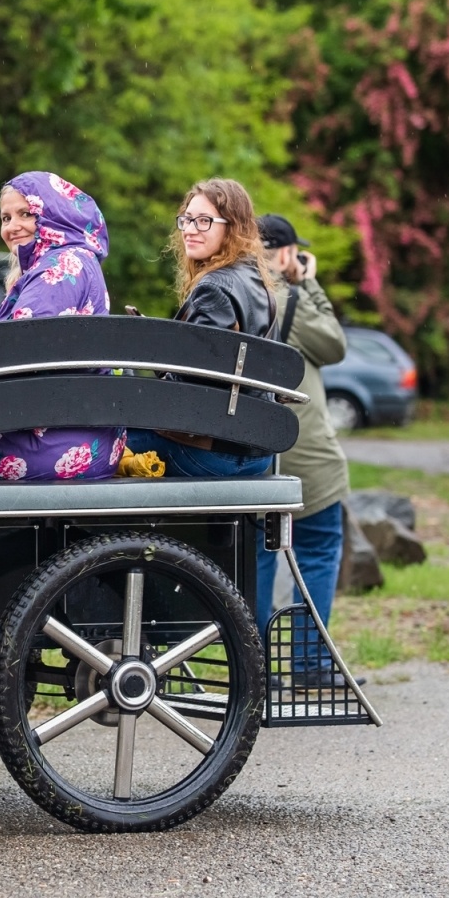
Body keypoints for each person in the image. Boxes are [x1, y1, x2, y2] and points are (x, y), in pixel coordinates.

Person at [0, 171, 125, 481]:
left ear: (55, 213)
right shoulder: (76, 259)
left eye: (26, 213)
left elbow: (17, 353)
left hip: (48, 446)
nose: (12, 226)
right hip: (81, 434)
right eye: (6, 218)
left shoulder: (60, 267)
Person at [251, 214, 354, 690]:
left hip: (250, 444)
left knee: (256, 552)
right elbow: (334, 344)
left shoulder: (231, 290)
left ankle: (253, 666)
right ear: (286, 253)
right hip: (302, 448)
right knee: (318, 543)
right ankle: (309, 662)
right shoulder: (288, 297)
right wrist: (308, 283)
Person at [125, 178, 277, 478]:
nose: (190, 230)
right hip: (257, 450)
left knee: (98, 445)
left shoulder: (214, 286)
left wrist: (152, 357)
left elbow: (197, 383)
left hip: (210, 450)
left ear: (232, 227)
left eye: (204, 221)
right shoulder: (259, 282)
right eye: (187, 219)